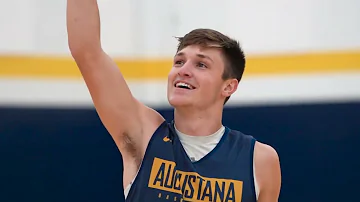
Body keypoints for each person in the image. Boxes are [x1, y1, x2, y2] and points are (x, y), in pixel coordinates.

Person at [66, 0, 281, 201]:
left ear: (228, 86)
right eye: (179, 61)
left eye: (201, 64)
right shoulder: (145, 135)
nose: (183, 70)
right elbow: (87, 52)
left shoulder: (259, 160)